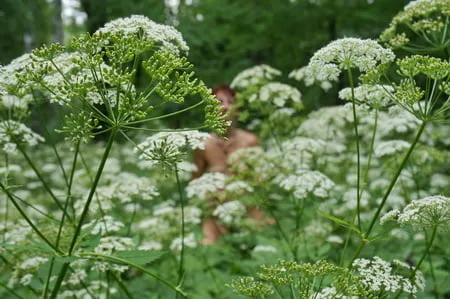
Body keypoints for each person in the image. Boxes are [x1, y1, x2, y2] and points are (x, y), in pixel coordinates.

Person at [193, 84, 271, 244]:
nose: (225, 106)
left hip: (249, 207)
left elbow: (263, 181)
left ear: (237, 109)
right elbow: (195, 181)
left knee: (264, 243)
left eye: (230, 101)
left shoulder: (251, 141)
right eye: (219, 101)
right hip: (215, 211)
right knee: (207, 247)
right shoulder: (203, 145)